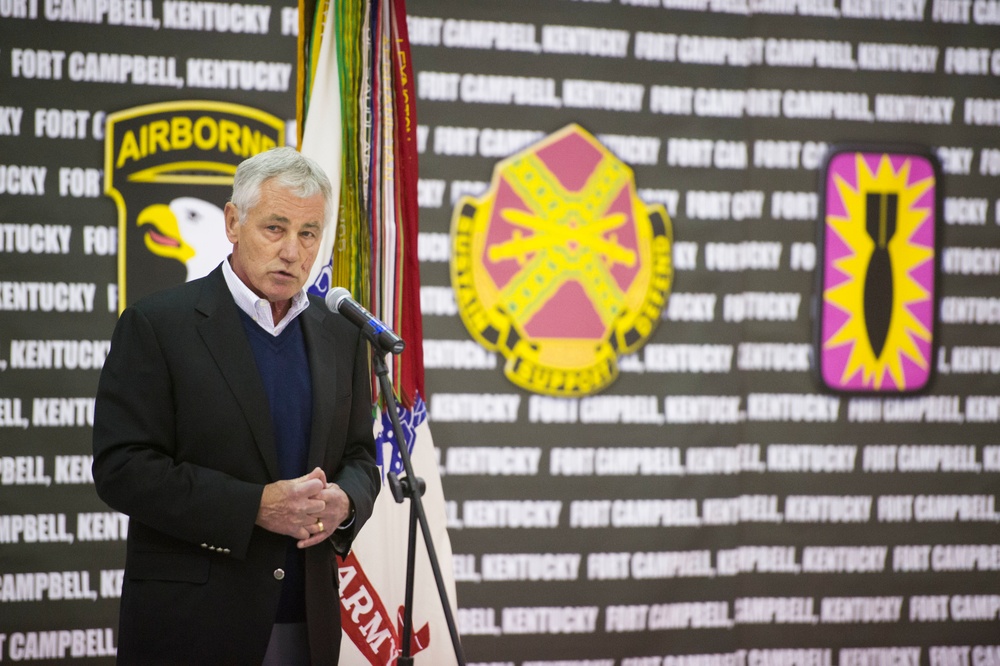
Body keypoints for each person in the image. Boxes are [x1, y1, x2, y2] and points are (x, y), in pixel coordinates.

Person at [92, 146, 380, 664]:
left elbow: (361, 455)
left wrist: (346, 503)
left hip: (307, 622)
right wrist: (253, 508)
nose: (293, 251)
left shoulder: (340, 333)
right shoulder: (158, 325)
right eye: (275, 228)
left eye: (309, 233)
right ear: (232, 222)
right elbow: (122, 469)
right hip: (194, 625)